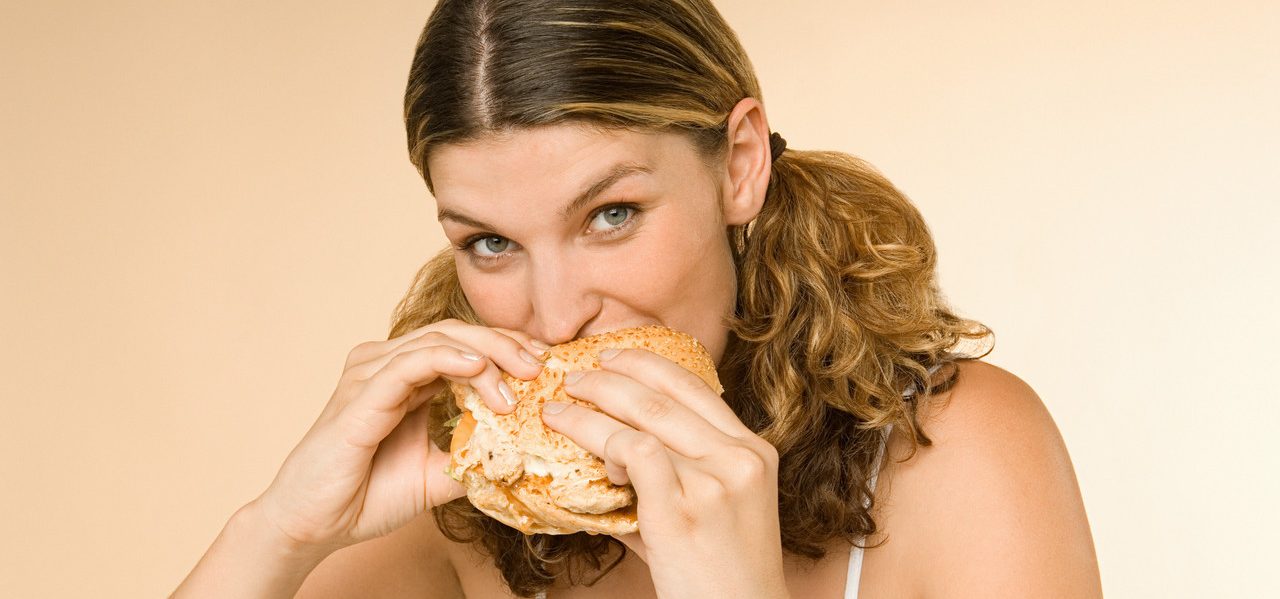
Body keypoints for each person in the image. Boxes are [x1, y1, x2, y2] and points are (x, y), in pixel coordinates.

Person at [173, 1, 1102, 597]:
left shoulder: (957, 450)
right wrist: (279, 529)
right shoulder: (463, 499)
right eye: (490, 243)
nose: (555, 312)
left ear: (739, 166)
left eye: (612, 214)